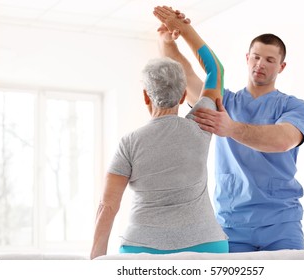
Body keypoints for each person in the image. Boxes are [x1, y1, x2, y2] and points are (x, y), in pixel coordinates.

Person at [158, 7, 304, 252]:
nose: (261, 64)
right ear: (247, 58)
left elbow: (283, 140)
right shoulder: (223, 102)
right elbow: (185, 76)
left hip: (282, 225)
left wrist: (231, 128)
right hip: (232, 225)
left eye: (270, 60)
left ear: (281, 67)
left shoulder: (294, 107)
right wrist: (168, 41)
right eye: (256, 56)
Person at [90, 7, 227, 259]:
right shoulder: (201, 124)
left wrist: (95, 263)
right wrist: (184, 30)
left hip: (142, 246)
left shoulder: (128, 143)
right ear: (185, 95)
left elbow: (107, 206)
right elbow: (215, 70)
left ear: (145, 96)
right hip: (206, 245)